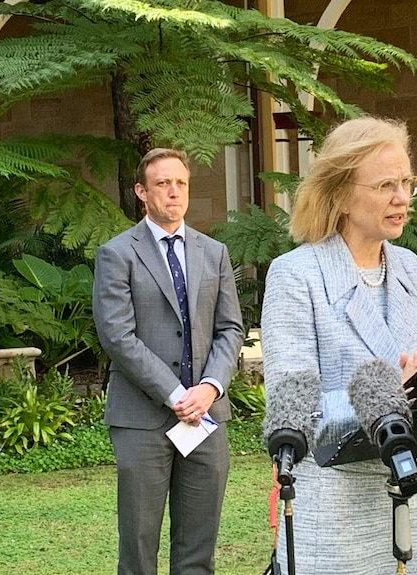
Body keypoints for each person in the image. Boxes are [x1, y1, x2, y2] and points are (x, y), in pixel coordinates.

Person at [260, 116, 417, 575]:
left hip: (409, 492)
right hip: (334, 505)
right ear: (339, 194)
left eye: (406, 182)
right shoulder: (295, 274)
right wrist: (378, 398)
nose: (401, 198)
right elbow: (291, 406)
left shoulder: (410, 269)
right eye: (384, 185)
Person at [93, 148, 245, 575]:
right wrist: (177, 395)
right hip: (142, 419)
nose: (173, 192)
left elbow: (231, 329)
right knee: (139, 546)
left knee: (199, 546)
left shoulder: (214, 252)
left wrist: (209, 387)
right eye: (162, 183)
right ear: (142, 191)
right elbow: (118, 337)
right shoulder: (116, 253)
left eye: (180, 183)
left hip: (206, 418)